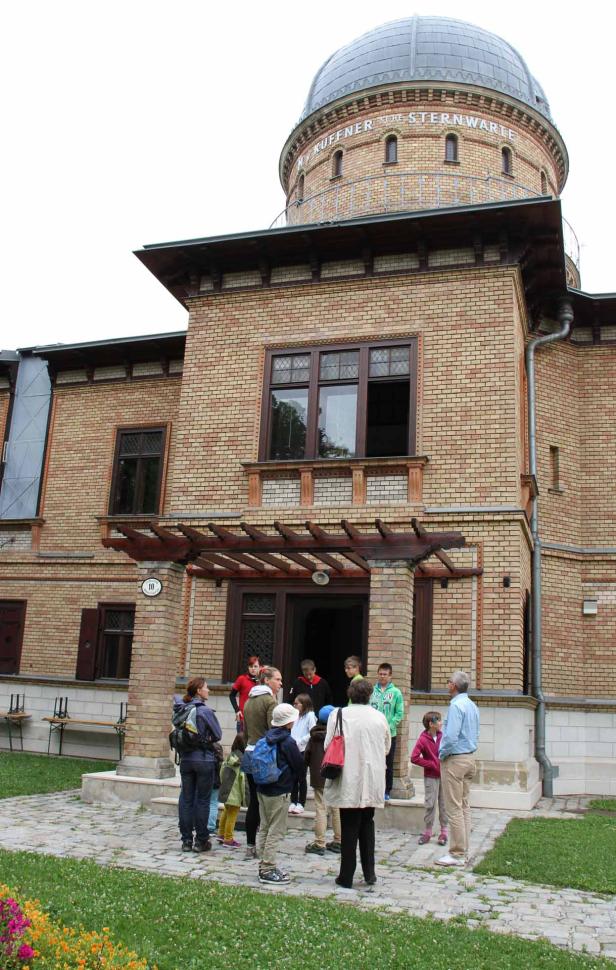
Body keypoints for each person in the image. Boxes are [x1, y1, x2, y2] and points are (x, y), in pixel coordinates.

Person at [324, 679, 390, 891]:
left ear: (350, 695)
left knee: (349, 824)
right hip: (371, 775)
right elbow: (387, 746)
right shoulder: (379, 717)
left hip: (348, 775)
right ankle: (370, 872)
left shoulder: (339, 714)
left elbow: (328, 744)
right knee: (367, 822)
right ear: (369, 695)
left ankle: (346, 875)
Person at [255, 702, 304, 885]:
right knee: (276, 829)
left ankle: (263, 862)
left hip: (262, 789)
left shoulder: (266, 737)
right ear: (289, 722)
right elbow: (298, 765)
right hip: (279, 790)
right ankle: (267, 868)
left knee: (265, 826)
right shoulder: (287, 741)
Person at [436, 670, 480, 867]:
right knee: (464, 806)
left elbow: (451, 736)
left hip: (455, 760)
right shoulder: (472, 705)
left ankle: (457, 853)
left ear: (453, 685)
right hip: (470, 758)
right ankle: (465, 849)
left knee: (453, 808)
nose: (447, 685)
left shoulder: (456, 706)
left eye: (448, 682)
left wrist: (441, 753)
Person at [175, 677, 222, 853]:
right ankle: (201, 840)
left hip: (186, 759)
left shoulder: (182, 708)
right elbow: (218, 734)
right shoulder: (204, 711)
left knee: (186, 799)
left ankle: (186, 840)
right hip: (204, 759)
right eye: (206, 688)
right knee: (203, 800)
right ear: (199, 691)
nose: (209, 690)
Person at [242, 665, 282, 859]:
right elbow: (272, 731)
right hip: (264, 755)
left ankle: (250, 845)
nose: (280, 684)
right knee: (267, 802)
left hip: (249, 752)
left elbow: (246, 731)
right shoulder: (269, 701)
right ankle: (265, 845)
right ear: (267, 680)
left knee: (253, 804)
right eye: (278, 680)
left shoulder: (249, 700)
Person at [304, 704, 342, 856]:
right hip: (335, 774)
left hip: (318, 776)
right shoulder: (337, 735)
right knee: (336, 807)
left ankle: (319, 842)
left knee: (320, 807)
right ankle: (339, 840)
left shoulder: (313, 736)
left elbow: (306, 756)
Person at [410, 711, 448, 846]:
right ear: (431, 724)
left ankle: (444, 832)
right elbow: (414, 757)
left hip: (444, 776)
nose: (441, 723)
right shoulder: (423, 739)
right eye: (438, 720)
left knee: (444, 804)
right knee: (430, 804)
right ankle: (428, 832)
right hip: (431, 777)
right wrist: (431, 764)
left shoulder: (443, 736)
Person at [370, 663, 404, 800]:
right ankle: (373, 789)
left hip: (389, 734)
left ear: (390, 676)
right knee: (372, 762)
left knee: (387, 763)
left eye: (385, 674)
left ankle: (386, 791)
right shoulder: (372, 691)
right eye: (380, 674)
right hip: (373, 733)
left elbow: (399, 713)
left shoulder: (396, 693)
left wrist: (388, 726)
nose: (382, 676)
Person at [289, 693, 317, 814]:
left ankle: (301, 802)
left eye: (297, 704)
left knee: (301, 777)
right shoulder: (295, 716)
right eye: (294, 703)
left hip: (303, 749)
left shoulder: (310, 716)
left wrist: (300, 741)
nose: (294, 705)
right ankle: (293, 801)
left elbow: (312, 732)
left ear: (304, 704)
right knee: (293, 776)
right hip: (293, 748)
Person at [217, 734, 246, 848]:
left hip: (226, 790)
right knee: (232, 814)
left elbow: (221, 772)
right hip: (235, 793)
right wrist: (245, 796)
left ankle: (221, 833)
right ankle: (228, 838)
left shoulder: (230, 757)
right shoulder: (241, 761)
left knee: (226, 811)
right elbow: (242, 780)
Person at [229, 655, 261, 732]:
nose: (253, 668)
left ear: (259, 667)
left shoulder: (261, 682)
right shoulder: (242, 679)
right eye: (251, 666)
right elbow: (232, 695)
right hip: (243, 718)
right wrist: (237, 710)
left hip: (257, 720)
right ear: (248, 667)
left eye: (255, 666)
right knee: (242, 743)